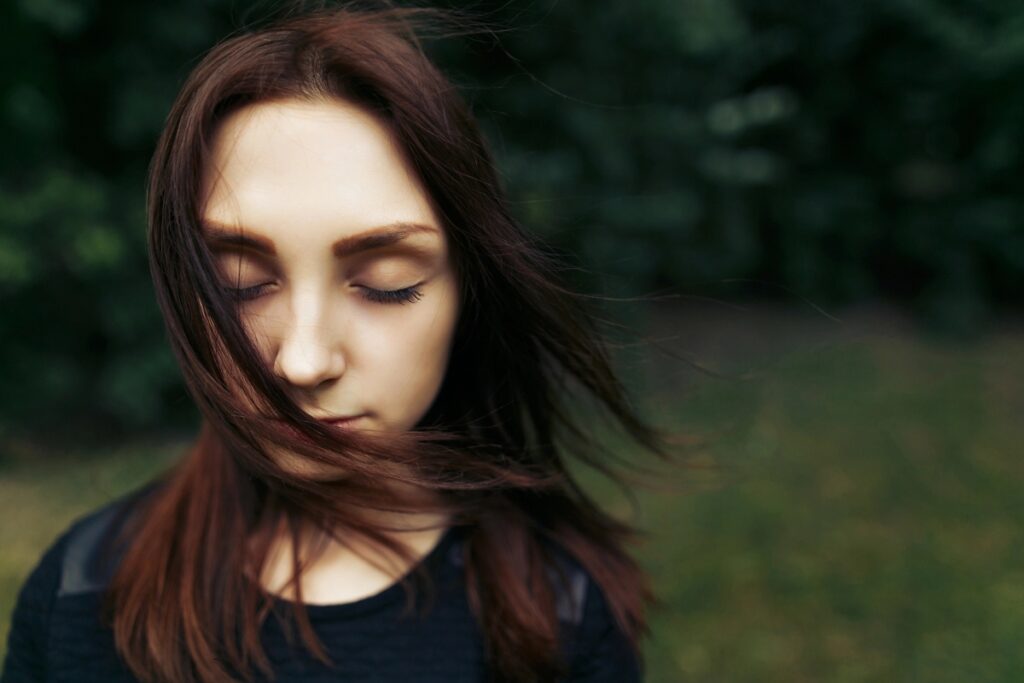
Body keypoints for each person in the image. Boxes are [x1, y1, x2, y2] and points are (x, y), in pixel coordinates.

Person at [1, 5, 676, 682]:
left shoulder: (559, 612)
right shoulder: (81, 597)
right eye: (240, 286)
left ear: (469, 290)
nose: (303, 361)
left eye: (385, 285)